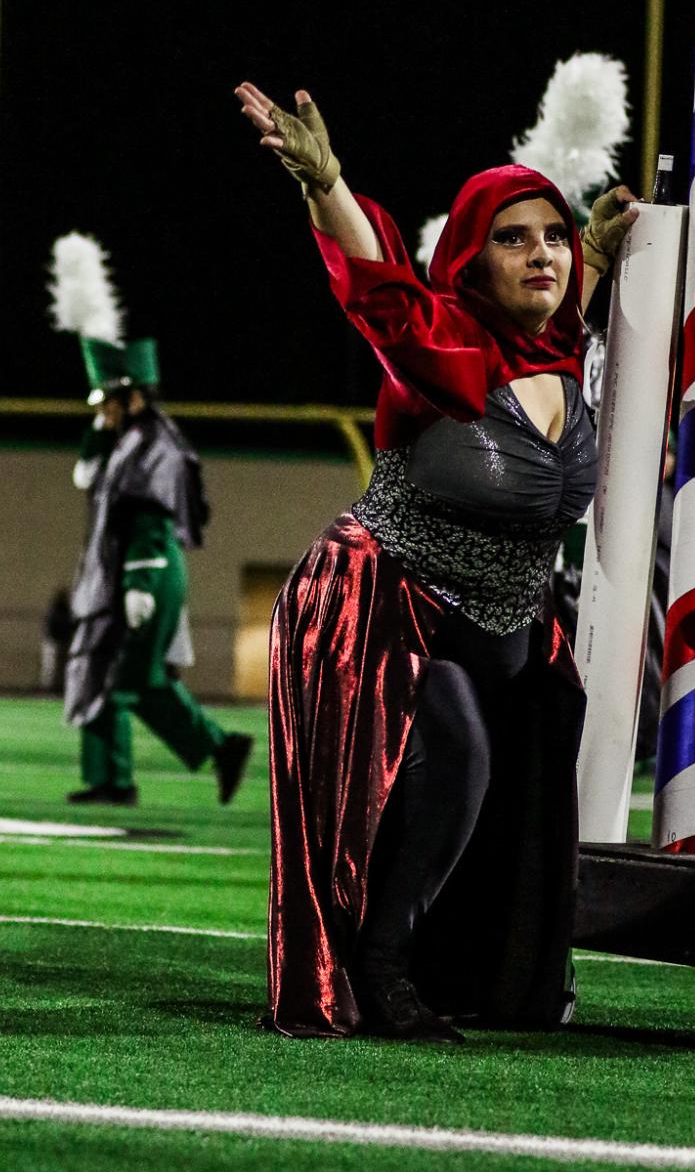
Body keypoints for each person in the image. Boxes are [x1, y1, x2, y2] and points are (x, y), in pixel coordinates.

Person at [236, 81, 636, 1041]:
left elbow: (564, 299)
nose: (540, 251)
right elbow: (381, 289)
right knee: (455, 749)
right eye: (512, 237)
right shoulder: (443, 345)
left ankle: (466, 967)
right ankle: (376, 969)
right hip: (379, 609)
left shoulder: (561, 350)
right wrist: (327, 184)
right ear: (469, 258)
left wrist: (595, 250)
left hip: (504, 628)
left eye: (550, 234)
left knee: (520, 778)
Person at [51, 235, 253, 808]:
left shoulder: (153, 444)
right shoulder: (126, 440)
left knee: (125, 682)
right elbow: (89, 478)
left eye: (107, 401)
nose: (100, 410)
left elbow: (148, 515)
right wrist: (97, 432)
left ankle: (147, 769)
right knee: (123, 680)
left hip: (148, 569)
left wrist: (138, 582)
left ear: (134, 396)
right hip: (127, 573)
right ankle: (125, 776)